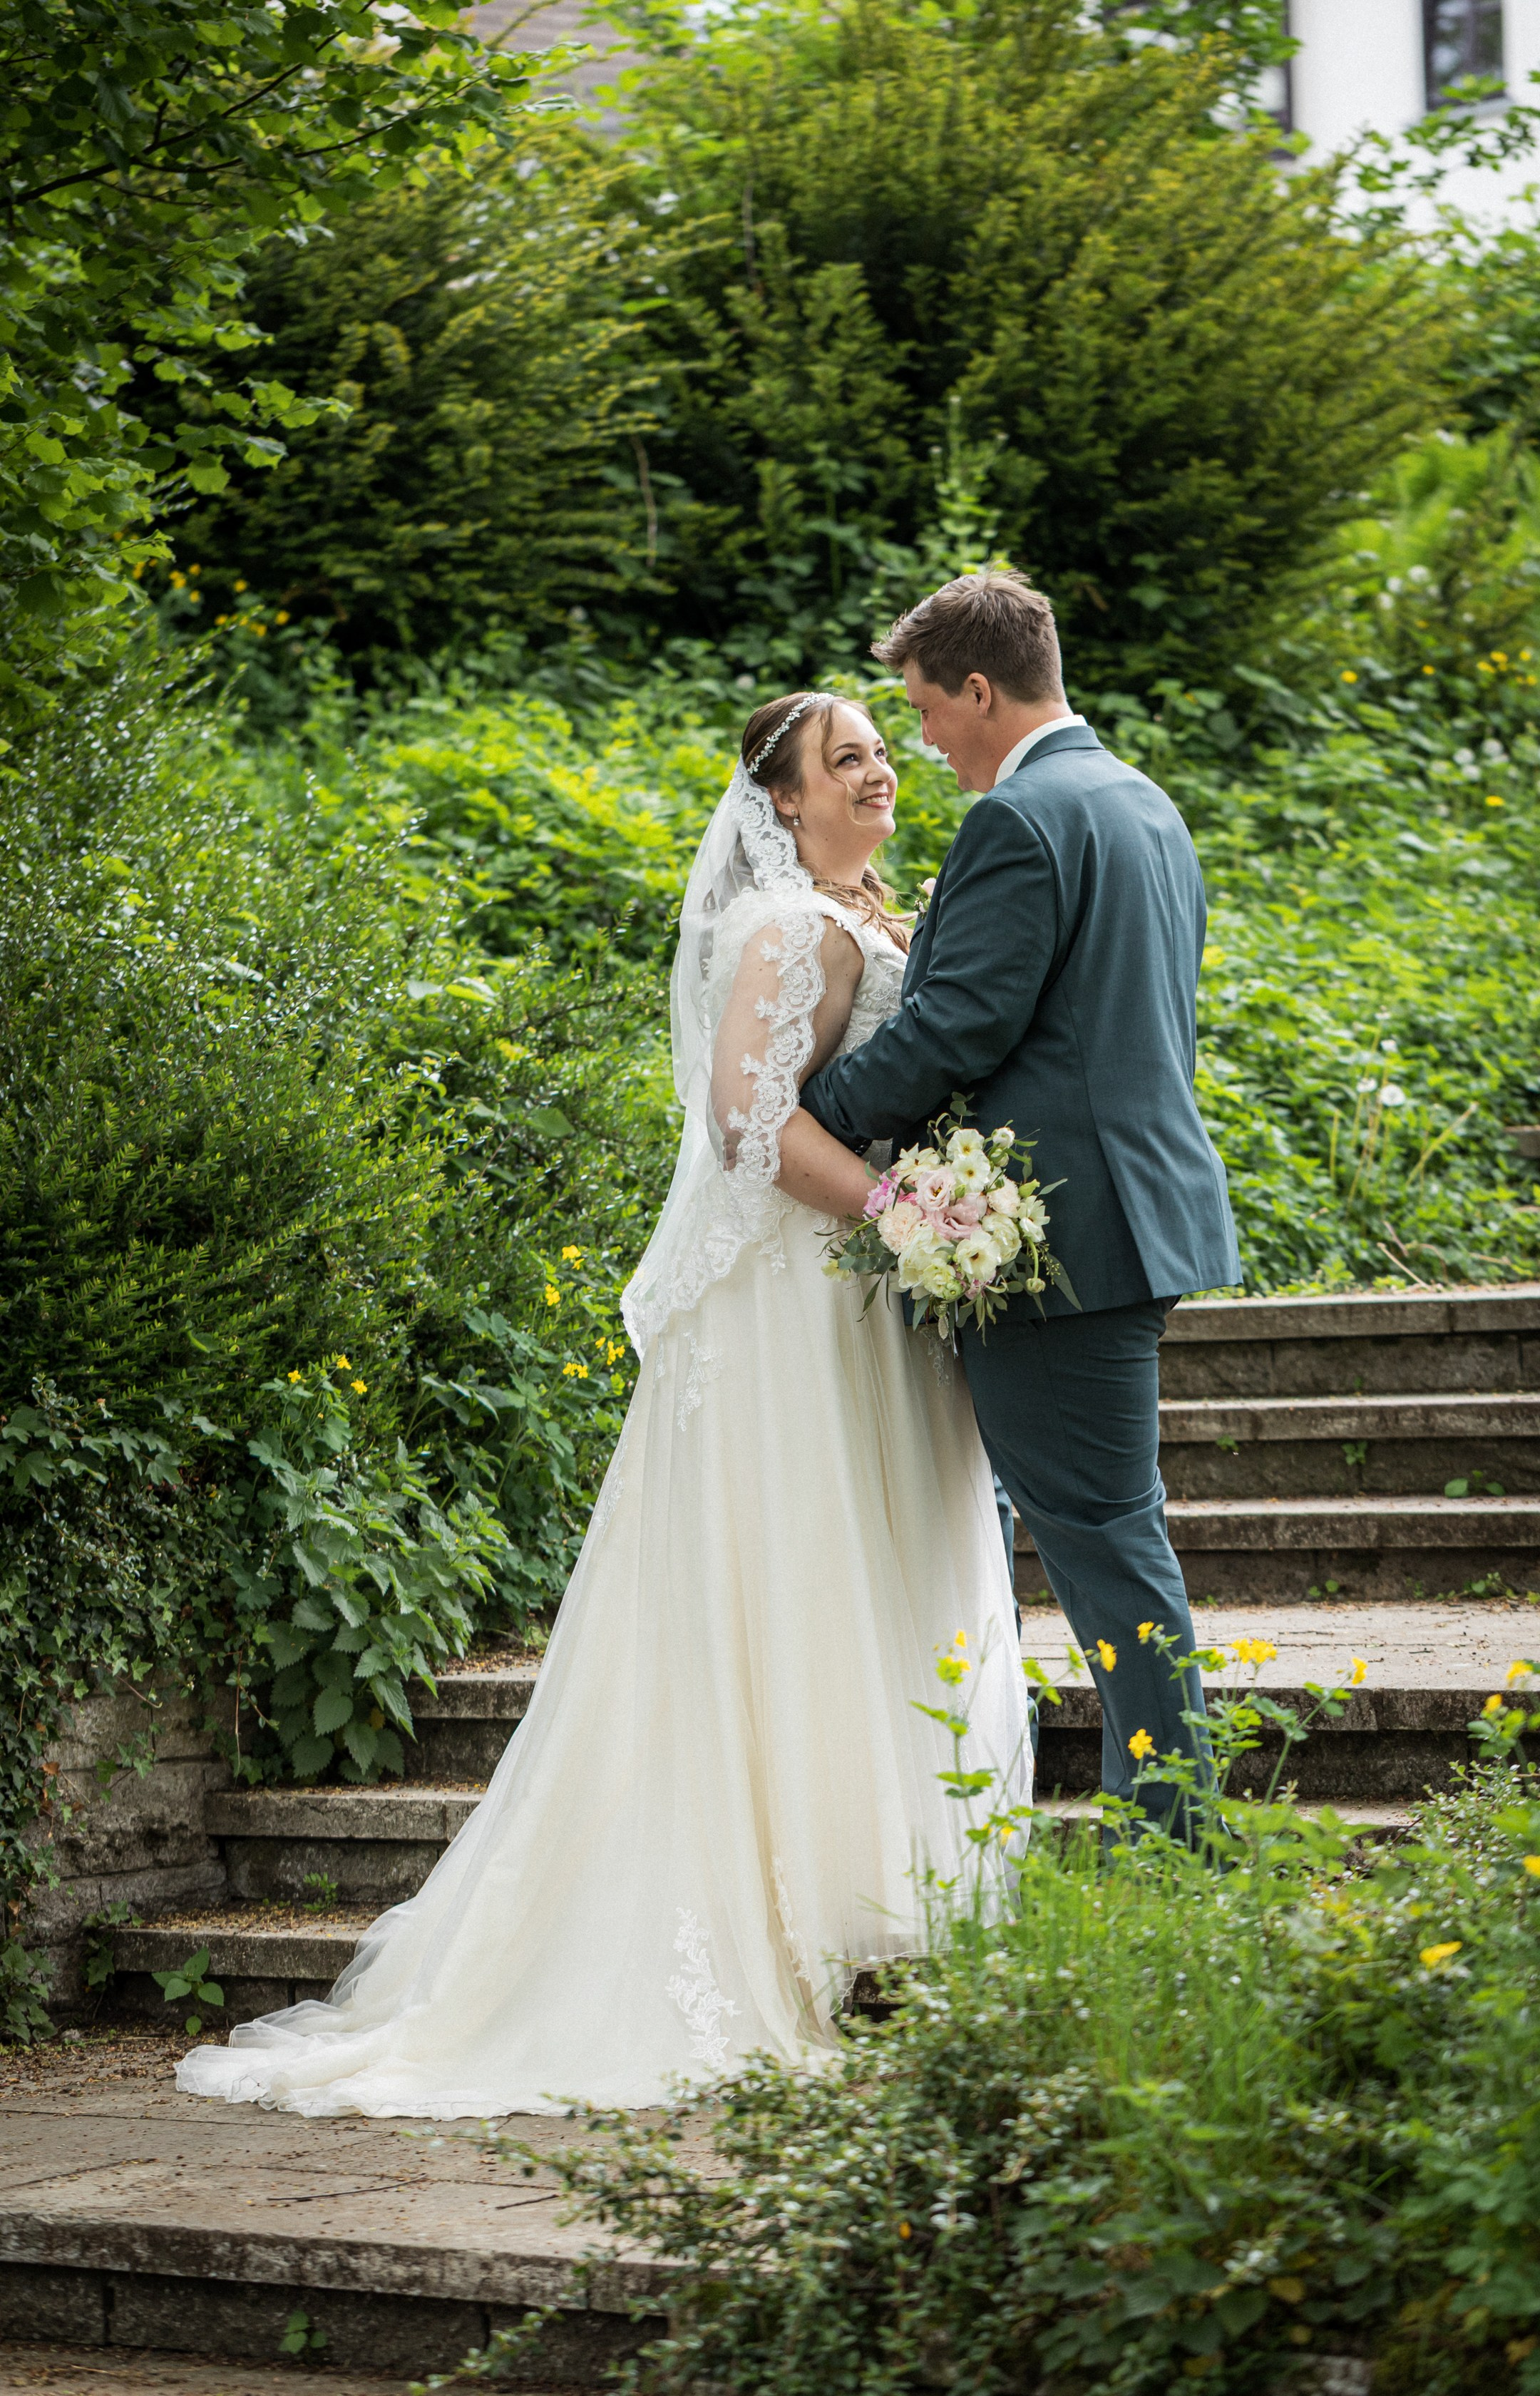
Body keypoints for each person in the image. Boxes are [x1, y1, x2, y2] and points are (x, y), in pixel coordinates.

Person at [175, 692, 1030, 2121]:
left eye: (884, 750)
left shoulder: (864, 914)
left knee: (869, 1583)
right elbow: (750, 1132)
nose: (880, 771)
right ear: (782, 798)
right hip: (796, 1308)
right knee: (798, 1585)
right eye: (848, 759)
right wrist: (902, 1206)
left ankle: (878, 1911)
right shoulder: (785, 931)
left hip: (863, 1293)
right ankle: (798, 1920)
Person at [801, 571, 1241, 1833]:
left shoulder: (1020, 819)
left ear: (981, 690)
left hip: (1061, 1238)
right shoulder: (1141, 804)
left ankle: (1176, 1829)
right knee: (1096, 1520)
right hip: (1124, 1215)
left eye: (928, 710)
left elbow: (957, 1029)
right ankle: (1117, 1810)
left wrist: (807, 1116)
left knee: (1103, 1534)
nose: (924, 741)